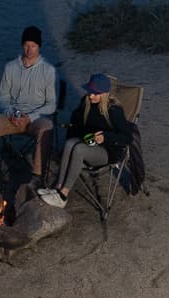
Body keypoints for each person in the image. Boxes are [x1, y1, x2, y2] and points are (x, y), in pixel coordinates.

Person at [39, 73, 133, 207]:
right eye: (90, 92)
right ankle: (58, 187)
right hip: (91, 145)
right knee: (70, 143)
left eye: (95, 93)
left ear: (104, 94)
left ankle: (63, 196)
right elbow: (78, 126)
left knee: (78, 148)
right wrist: (77, 117)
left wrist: (106, 137)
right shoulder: (87, 103)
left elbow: (127, 138)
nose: (91, 95)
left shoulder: (114, 110)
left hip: (109, 151)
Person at [0, 25, 57, 188]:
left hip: (35, 119)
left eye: (33, 46)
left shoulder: (48, 70)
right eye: (27, 45)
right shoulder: (10, 67)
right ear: (22, 45)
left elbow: (51, 105)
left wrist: (30, 117)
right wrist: (13, 113)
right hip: (13, 116)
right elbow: (3, 97)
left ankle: (37, 176)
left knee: (47, 128)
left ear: (39, 47)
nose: (29, 50)